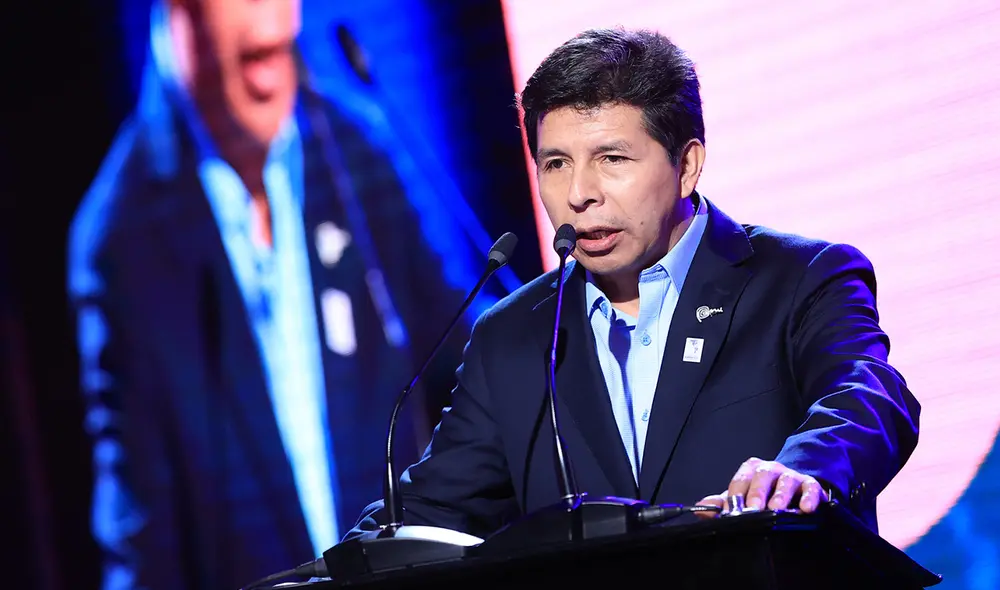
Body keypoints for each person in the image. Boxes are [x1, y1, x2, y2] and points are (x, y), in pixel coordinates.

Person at [346, 27, 920, 542]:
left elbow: (870, 394)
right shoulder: (514, 337)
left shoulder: (799, 279)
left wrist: (802, 469)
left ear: (687, 165)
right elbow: (424, 512)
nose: (579, 194)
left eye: (612, 158)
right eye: (555, 164)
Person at [67, 1, 483, 589]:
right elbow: (144, 538)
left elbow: (466, 375)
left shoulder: (356, 155)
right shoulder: (122, 239)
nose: (271, 17)